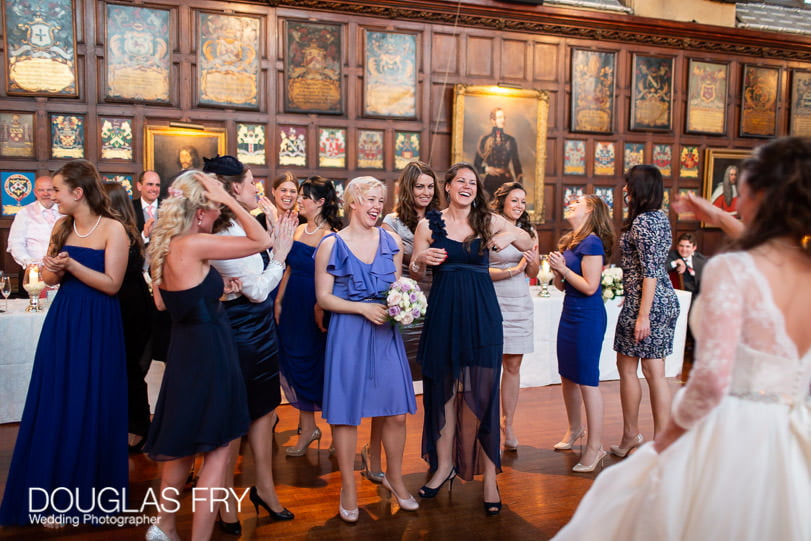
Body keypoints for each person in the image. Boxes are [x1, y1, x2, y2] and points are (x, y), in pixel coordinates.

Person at [554, 135, 811, 541]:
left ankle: (639, 437)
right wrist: (712, 213)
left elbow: (708, 383)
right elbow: (755, 234)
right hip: (798, 435)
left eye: (741, 190)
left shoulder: (733, 269)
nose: (735, 199)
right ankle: (631, 435)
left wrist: (668, 444)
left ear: (759, 195)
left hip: (741, 432)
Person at [142, 170, 270, 541]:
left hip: (184, 353)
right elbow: (260, 239)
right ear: (200, 213)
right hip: (210, 354)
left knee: (182, 447)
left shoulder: (167, 245)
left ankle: (163, 526)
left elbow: (163, 302)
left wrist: (213, 291)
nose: (218, 214)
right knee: (216, 452)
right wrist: (230, 198)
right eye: (215, 208)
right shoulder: (195, 243)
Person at [0, 160, 128, 526]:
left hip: (99, 321)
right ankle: (48, 494)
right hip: (65, 319)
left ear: (78, 192)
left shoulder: (113, 229)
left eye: (57, 190)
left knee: (91, 401)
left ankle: (83, 495)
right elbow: (54, 280)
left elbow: (112, 283)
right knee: (56, 400)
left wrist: (72, 267)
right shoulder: (62, 225)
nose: (52, 196)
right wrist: (53, 267)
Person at [411, 162, 533, 515]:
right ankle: (444, 466)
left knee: (484, 396)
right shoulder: (427, 224)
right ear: (447, 187)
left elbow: (527, 240)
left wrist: (512, 236)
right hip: (444, 315)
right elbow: (418, 270)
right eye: (460, 181)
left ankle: (491, 479)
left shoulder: (488, 220)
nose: (467, 186)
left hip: (482, 316)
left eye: (473, 183)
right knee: (443, 394)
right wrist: (421, 257)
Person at [314, 176, 418, 522]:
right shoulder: (332, 244)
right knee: (345, 414)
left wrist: (403, 303)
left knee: (395, 411)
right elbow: (323, 297)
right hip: (349, 332)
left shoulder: (392, 241)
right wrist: (362, 308)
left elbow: (397, 285)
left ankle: (396, 478)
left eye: (380, 200)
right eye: (370, 200)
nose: (377, 207)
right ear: (352, 202)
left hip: (385, 333)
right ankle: (348, 487)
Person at [205, 155, 297, 534]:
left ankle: (265, 488)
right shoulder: (220, 230)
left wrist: (275, 236)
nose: (257, 185)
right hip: (235, 330)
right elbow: (258, 290)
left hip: (259, 332)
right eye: (250, 180)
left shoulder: (246, 221)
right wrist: (280, 255)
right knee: (231, 422)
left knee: (264, 412)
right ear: (233, 190)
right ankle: (226, 503)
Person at [346, 161, 441, 483]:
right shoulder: (390, 222)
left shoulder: (441, 220)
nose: (425, 192)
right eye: (419, 186)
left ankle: (436, 455)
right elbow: (384, 267)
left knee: (435, 386)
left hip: (438, 304)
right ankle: (373, 454)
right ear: (407, 189)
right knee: (387, 390)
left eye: (430, 186)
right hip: (403, 306)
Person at [612, 164, 679, 458]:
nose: (624, 190)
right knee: (655, 371)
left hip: (648, 303)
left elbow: (650, 271)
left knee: (629, 369)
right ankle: (663, 442)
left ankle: (631, 436)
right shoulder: (659, 218)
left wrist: (642, 314)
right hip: (657, 299)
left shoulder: (643, 222)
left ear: (637, 188)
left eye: (628, 185)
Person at [548, 195, 615, 472]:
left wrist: (563, 268)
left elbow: (590, 287)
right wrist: (556, 272)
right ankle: (575, 429)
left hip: (587, 316)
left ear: (590, 210)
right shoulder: (571, 241)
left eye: (578, 203)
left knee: (587, 379)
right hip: (569, 312)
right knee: (567, 375)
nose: (571, 204)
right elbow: (562, 287)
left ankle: (595, 447)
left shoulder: (593, 242)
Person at [276, 176, 341, 456]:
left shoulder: (333, 236)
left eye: (304, 196)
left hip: (316, 307)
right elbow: (288, 268)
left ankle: (339, 437)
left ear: (321, 202)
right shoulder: (299, 229)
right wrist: (278, 301)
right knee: (293, 365)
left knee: (322, 369)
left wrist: (323, 310)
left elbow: (335, 279)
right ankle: (307, 430)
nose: (298, 200)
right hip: (291, 304)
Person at [488, 182, 539, 451]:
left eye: (523, 201)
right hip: (492, 299)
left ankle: (508, 423)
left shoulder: (529, 231)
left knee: (513, 365)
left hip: (519, 301)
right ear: (502, 201)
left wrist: (529, 262)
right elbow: (480, 270)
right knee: (489, 365)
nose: (519, 206)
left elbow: (533, 272)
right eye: (514, 200)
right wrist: (510, 271)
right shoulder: (488, 225)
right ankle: (487, 422)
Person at [104, 182, 154, 452]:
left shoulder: (121, 232)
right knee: (127, 369)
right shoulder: (127, 229)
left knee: (131, 370)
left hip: (131, 307)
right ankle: (129, 424)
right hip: (129, 304)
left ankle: (138, 428)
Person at [6, 175, 62, 267]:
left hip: (63, 269)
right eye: (41, 190)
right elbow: (16, 243)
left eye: (49, 190)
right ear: (35, 193)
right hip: (33, 269)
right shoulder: (24, 213)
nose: (45, 193)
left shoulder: (66, 212)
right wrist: (30, 263)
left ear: (56, 191)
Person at [474, 107, 523, 197]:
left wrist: (520, 187)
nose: (503, 120)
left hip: (507, 181)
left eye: (504, 117)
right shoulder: (484, 140)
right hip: (490, 183)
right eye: (500, 117)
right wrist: (487, 169)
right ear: (493, 121)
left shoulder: (511, 140)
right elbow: (476, 165)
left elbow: (516, 164)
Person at [132, 170, 162, 245]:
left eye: (157, 185)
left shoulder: (168, 207)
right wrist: (144, 236)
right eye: (150, 184)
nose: (154, 189)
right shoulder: (130, 208)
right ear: (139, 186)